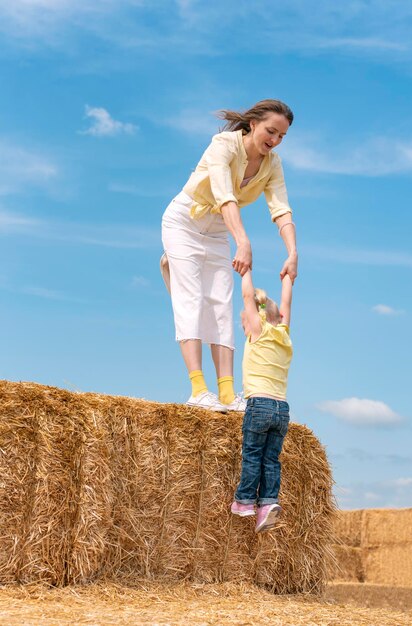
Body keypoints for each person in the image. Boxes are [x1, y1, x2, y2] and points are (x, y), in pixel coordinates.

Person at [161, 99, 297, 412]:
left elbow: (281, 208)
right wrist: (243, 241)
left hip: (219, 230)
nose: (274, 140)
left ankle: (226, 394)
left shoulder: (272, 164)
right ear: (253, 124)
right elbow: (224, 195)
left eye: (281, 137)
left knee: (221, 304)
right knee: (191, 299)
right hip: (185, 221)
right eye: (271, 131)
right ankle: (198, 390)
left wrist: (292, 252)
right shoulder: (223, 145)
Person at [231, 270, 293, 533]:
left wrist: (245, 272)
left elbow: (248, 295)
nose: (244, 326)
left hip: (260, 405)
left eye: (244, 321)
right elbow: (286, 304)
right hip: (282, 409)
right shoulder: (283, 334)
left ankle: (245, 501)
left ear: (255, 318)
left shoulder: (259, 332)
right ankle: (268, 503)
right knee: (271, 459)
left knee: (252, 455)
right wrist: (288, 278)